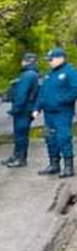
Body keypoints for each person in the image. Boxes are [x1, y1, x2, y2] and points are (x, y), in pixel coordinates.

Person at [33, 47, 77, 178]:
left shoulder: (70, 72)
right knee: (50, 138)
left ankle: (68, 167)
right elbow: (42, 93)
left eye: (51, 59)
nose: (49, 62)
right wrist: (37, 108)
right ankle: (54, 164)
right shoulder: (49, 74)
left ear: (60, 58)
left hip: (62, 112)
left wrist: (61, 101)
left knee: (63, 138)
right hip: (49, 113)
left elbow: (75, 90)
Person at [1, 53, 41, 168]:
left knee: (21, 135)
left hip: (24, 109)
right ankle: (16, 156)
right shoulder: (33, 74)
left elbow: (22, 94)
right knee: (19, 134)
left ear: (26, 61)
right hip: (27, 108)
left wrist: (15, 109)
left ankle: (21, 159)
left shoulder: (28, 75)